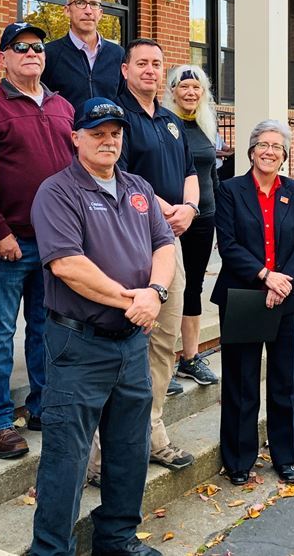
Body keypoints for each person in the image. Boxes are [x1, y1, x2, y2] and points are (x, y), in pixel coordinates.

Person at [29, 97, 175, 556]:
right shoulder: (57, 191)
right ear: (75, 138)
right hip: (79, 344)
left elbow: (164, 244)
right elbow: (67, 265)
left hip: (132, 344)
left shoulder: (138, 187)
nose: (108, 140)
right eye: (97, 133)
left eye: (115, 133)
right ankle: (52, 550)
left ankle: (117, 538)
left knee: (129, 449)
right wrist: (133, 299)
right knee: (66, 457)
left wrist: (156, 292)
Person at [0, 21, 74, 460]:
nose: (31, 53)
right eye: (20, 47)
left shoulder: (62, 107)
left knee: (46, 328)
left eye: (37, 47)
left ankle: (42, 406)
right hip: (11, 241)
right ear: (4, 57)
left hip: (55, 242)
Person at [213, 120, 294, 486]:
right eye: (263, 145)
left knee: (286, 379)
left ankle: (286, 456)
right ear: (252, 150)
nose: (269, 151)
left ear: (284, 155)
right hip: (244, 296)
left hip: (287, 297)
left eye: (277, 146)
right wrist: (264, 275)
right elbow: (228, 244)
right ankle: (239, 458)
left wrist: (282, 280)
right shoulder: (230, 190)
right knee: (241, 380)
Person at [114, 39, 198, 471]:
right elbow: (120, 175)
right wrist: (167, 212)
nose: (150, 70)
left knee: (165, 338)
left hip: (170, 243)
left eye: (157, 64)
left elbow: (189, 172)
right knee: (127, 344)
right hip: (128, 241)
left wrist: (189, 208)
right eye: (142, 63)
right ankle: (109, 447)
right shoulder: (116, 117)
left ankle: (153, 430)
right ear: (125, 69)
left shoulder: (170, 120)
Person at [162, 65, 219, 386]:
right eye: (184, 87)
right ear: (172, 91)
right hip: (172, 219)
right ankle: (163, 361)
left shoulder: (206, 126)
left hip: (204, 217)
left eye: (196, 87)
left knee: (194, 286)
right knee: (167, 288)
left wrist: (221, 216)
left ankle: (190, 358)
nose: (190, 92)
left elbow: (211, 175)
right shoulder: (165, 125)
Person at [41, 0, 124, 111]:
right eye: (80, 3)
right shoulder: (49, 54)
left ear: (100, 13)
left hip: (108, 130)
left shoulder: (117, 54)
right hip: (66, 130)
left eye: (94, 4)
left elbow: (124, 99)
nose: (88, 11)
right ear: (67, 11)